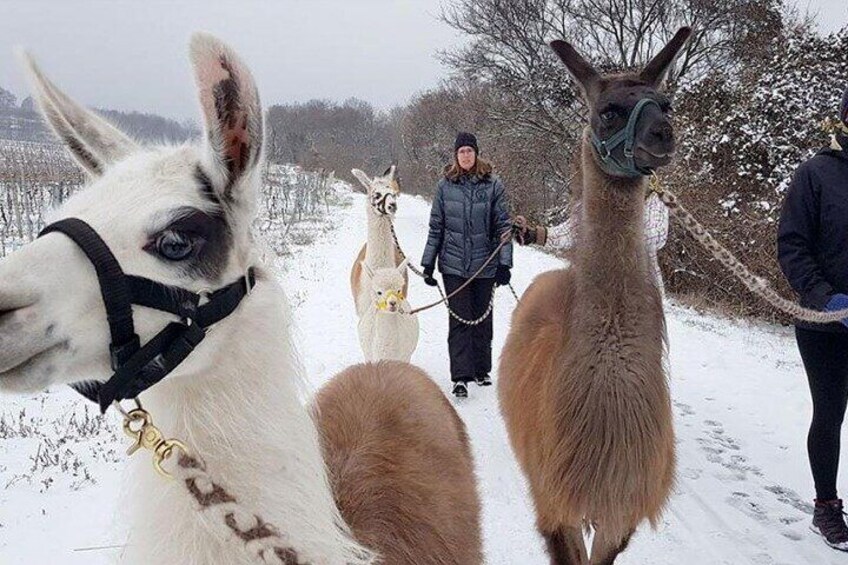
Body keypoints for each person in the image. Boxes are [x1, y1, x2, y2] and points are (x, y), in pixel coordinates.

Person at [777, 85, 848, 553]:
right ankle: (826, 506)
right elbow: (792, 245)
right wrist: (827, 298)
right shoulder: (816, 174)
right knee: (830, 414)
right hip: (826, 325)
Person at [421, 132, 513, 398]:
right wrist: (428, 263)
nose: (465, 156)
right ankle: (461, 376)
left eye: (469, 151)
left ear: (476, 154)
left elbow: (503, 226)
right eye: (461, 152)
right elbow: (436, 227)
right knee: (460, 320)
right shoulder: (444, 186)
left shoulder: (493, 184)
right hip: (453, 265)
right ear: (455, 155)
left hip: (485, 263)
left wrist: (504, 263)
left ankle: (481, 369)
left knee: (482, 319)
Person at [513, 189, 669, 295]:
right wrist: (533, 235)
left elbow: (656, 236)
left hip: (640, 295)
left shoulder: (653, 196)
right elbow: (568, 233)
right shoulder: (594, 195)